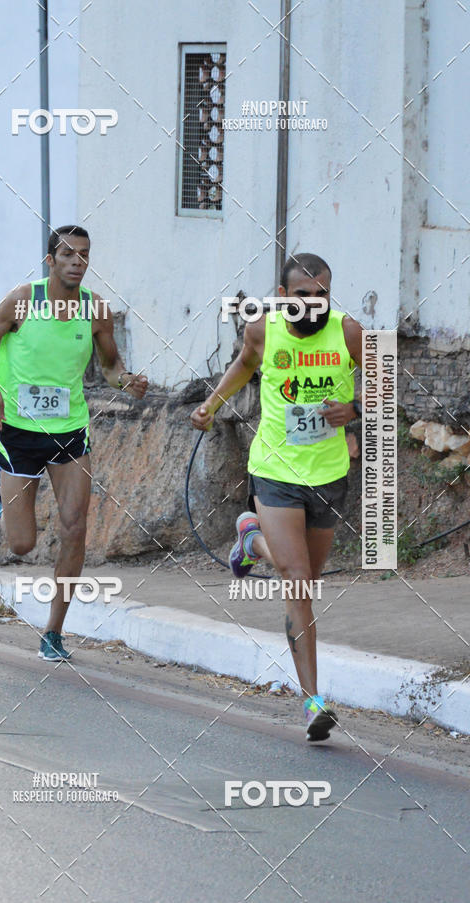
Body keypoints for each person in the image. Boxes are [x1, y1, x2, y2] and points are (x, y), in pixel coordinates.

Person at [190, 253, 363, 741]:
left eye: (322, 294)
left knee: (306, 575)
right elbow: (244, 366)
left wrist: (352, 407)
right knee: (299, 580)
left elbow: (387, 383)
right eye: (303, 295)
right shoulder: (263, 330)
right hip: (275, 470)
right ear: (284, 298)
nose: (313, 303)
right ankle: (313, 702)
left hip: (329, 475)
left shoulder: (347, 332)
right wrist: (210, 404)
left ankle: (250, 541)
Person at [0, 225, 147, 661]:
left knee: (75, 528)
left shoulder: (96, 311)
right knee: (21, 546)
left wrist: (126, 381)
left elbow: (110, 368)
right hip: (18, 433)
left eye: (84, 255)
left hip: (71, 431)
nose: (77, 262)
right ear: (50, 260)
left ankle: (54, 631)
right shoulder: (22, 300)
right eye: (68, 254)